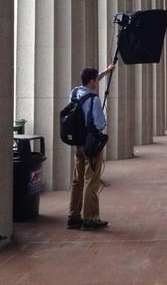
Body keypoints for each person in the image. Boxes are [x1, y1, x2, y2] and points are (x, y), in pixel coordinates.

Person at [67, 65, 115, 231]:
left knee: (77, 180)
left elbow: (90, 83)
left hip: (78, 144)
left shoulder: (74, 93)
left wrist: (105, 72)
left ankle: (73, 216)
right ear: (92, 81)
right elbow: (100, 123)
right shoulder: (94, 99)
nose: (97, 82)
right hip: (90, 146)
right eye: (97, 80)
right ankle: (91, 218)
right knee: (91, 180)